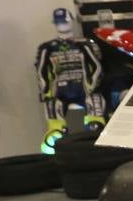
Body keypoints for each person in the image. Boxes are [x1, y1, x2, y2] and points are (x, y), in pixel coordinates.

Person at [34, 8, 104, 153]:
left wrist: (93, 85)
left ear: (71, 21)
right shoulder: (47, 48)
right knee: (53, 115)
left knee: (96, 112)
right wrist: (46, 91)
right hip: (60, 91)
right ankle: (55, 137)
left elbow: (97, 66)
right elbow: (41, 72)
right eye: (59, 23)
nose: (62, 25)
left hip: (83, 90)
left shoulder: (84, 44)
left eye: (64, 22)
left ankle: (97, 136)